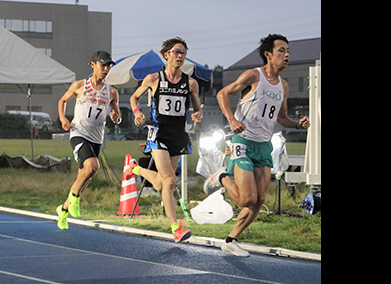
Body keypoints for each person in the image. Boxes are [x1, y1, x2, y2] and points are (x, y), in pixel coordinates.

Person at [204, 34, 310, 256]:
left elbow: (281, 118)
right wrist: (232, 120)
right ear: (268, 54)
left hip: (263, 146)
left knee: (260, 200)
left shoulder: (284, 86)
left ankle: (231, 239)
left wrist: (298, 124)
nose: (287, 54)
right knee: (247, 199)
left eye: (288, 51)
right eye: (281, 51)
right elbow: (223, 93)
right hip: (243, 141)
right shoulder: (254, 75)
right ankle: (221, 177)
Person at [125, 37, 203, 242]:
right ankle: (176, 227)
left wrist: (197, 115)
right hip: (158, 133)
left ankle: (135, 169)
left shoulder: (191, 83)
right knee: (170, 180)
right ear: (166, 54)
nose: (180, 56)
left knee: (162, 185)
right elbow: (134, 97)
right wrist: (136, 112)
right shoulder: (153, 79)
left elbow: (197, 108)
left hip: (178, 134)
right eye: (176, 52)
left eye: (183, 52)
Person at [56, 51, 121, 230]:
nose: (106, 69)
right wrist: (63, 119)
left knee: (85, 177)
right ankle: (75, 199)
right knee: (93, 166)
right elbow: (62, 100)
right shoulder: (80, 85)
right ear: (93, 65)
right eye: (103, 65)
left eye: (109, 66)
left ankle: (63, 210)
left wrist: (116, 116)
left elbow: (117, 114)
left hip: (96, 139)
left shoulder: (112, 92)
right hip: (79, 133)